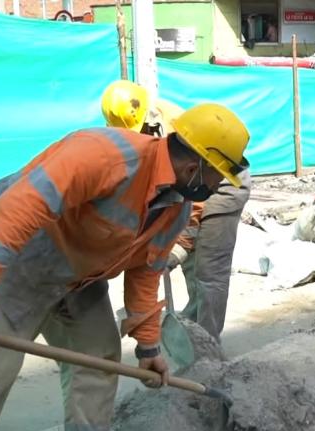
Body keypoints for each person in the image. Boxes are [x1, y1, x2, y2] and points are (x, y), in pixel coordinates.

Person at [0, 97, 250, 431]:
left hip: (78, 279)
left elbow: (145, 273)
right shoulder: (104, 155)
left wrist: (148, 347)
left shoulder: (177, 209)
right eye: (219, 175)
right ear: (196, 167)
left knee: (98, 353)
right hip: (23, 266)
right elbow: (11, 215)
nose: (219, 186)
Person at [101, 80, 251, 342]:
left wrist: (179, 243)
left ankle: (207, 345)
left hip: (220, 178)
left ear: (149, 116)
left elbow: (196, 193)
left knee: (208, 270)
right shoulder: (130, 134)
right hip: (193, 182)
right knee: (187, 261)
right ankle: (191, 327)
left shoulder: (173, 130)